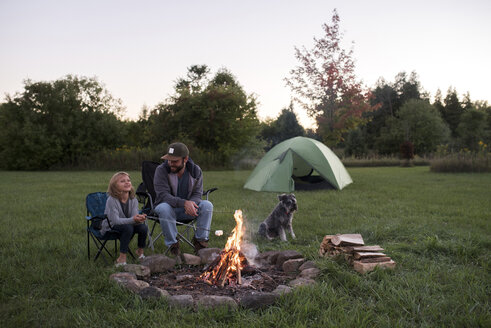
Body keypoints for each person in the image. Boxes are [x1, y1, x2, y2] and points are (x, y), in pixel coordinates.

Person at [153, 142, 213, 256]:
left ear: (185, 159)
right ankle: (173, 246)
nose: (171, 163)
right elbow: (163, 195)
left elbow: (197, 193)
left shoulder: (195, 171)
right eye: (169, 160)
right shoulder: (161, 170)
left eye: (175, 161)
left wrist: (191, 204)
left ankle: (201, 243)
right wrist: (184, 203)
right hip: (168, 210)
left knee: (207, 205)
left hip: (188, 210)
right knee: (164, 207)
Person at [101, 171, 148, 266]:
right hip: (111, 227)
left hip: (127, 226)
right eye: (122, 181)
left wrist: (139, 218)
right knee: (128, 227)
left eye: (128, 180)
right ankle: (121, 258)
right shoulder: (112, 200)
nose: (127, 182)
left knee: (143, 228)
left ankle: (140, 252)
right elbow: (115, 221)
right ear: (114, 186)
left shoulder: (133, 199)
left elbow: (133, 218)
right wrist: (133, 219)